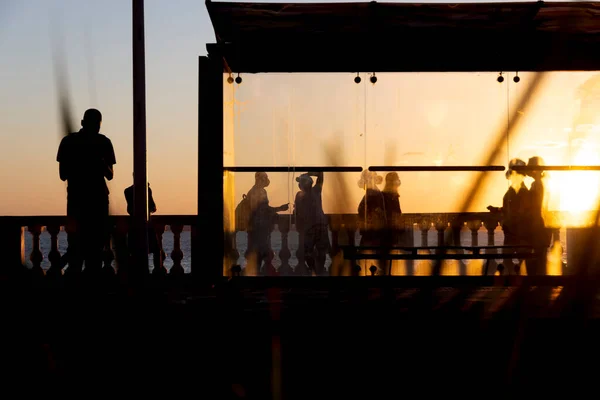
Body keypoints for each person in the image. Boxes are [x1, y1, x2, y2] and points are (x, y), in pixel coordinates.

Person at [56, 108, 116, 278]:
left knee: (85, 249)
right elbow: (110, 175)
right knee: (87, 250)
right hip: (89, 202)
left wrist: (98, 161)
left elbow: (63, 175)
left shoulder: (70, 142)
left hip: (83, 200)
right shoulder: (101, 142)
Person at [487, 158, 531, 275]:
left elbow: (519, 212)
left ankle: (515, 278)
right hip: (512, 230)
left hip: (516, 231)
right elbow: (509, 208)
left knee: (513, 257)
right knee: (511, 257)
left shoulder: (521, 191)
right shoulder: (515, 190)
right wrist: (497, 209)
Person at [246, 172, 289, 275]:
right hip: (259, 231)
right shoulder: (258, 192)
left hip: (259, 230)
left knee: (262, 258)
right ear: (260, 179)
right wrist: (280, 208)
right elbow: (264, 210)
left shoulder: (256, 191)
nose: (267, 180)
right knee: (262, 256)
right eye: (265, 178)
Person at [294, 172, 330, 276]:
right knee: (320, 251)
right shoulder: (316, 190)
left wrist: (307, 173)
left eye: (300, 182)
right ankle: (318, 271)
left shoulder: (301, 195)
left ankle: (314, 270)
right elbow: (320, 174)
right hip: (320, 226)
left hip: (311, 228)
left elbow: (297, 213)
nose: (299, 185)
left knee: (309, 252)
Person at [124, 181, 164, 271]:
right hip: (147, 224)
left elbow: (129, 209)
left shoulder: (127, 191)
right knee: (156, 250)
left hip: (133, 225)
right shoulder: (147, 190)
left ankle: (134, 272)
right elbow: (153, 207)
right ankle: (157, 271)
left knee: (133, 251)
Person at [526, 156, 552, 275]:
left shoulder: (537, 184)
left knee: (538, 257)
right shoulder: (541, 183)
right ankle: (541, 285)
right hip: (542, 224)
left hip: (537, 225)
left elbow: (534, 206)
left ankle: (539, 283)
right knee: (540, 257)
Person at [357, 170, 387, 274]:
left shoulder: (373, 194)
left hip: (372, 233)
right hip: (371, 233)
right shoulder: (373, 193)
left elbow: (376, 214)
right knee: (369, 260)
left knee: (364, 260)